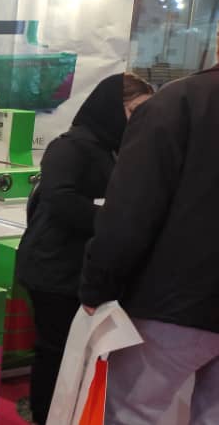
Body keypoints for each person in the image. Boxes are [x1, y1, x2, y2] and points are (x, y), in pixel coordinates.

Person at [80, 66, 219, 424]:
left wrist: (97, 287)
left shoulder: (178, 102)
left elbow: (131, 210)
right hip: (185, 302)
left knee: (133, 412)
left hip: (175, 303)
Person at [14, 73, 153, 424]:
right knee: (55, 350)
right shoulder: (71, 146)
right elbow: (60, 201)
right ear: (112, 106)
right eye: (134, 110)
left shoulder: (114, 149)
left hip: (80, 267)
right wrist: (115, 218)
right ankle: (45, 413)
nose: (139, 120)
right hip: (53, 268)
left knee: (74, 351)